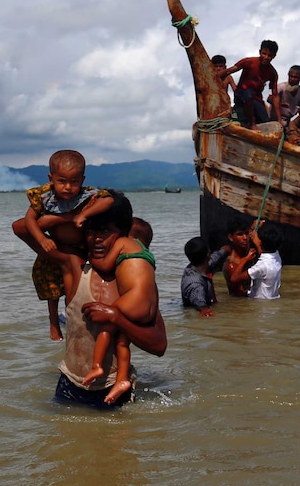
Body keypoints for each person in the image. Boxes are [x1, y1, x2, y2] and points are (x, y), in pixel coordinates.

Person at [49, 195, 167, 408]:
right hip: (70, 381)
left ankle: (118, 376)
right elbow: (23, 228)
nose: (96, 239)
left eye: (104, 232)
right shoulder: (76, 271)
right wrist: (76, 215)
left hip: (112, 387)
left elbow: (159, 345)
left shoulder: (136, 287)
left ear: (121, 236)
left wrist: (116, 318)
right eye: (91, 231)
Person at [12, 150, 113, 341]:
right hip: (55, 245)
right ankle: (53, 323)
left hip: (79, 249)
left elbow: (108, 200)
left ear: (82, 180)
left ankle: (72, 318)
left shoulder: (87, 195)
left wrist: (82, 215)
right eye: (62, 181)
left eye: (74, 182)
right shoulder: (45, 197)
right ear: (51, 178)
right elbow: (29, 220)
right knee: (52, 290)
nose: (68, 187)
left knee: (72, 287)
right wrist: (42, 239)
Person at [219, 40, 279, 130]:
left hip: (256, 99)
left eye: (269, 55)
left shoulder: (272, 73)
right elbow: (229, 71)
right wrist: (212, 76)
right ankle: (252, 123)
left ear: (273, 56)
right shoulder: (249, 62)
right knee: (248, 92)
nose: (266, 57)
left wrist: (279, 119)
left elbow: (275, 95)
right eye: (264, 53)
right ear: (260, 52)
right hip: (241, 94)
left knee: (265, 121)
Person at [229, 223, 283, 300]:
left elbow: (234, 278)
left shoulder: (261, 266)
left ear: (260, 242)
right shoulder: (276, 255)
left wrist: (245, 259)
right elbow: (263, 252)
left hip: (259, 303)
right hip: (272, 298)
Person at [181, 236, 231, 316]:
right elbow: (198, 300)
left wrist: (224, 250)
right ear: (208, 254)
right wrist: (205, 309)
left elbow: (215, 257)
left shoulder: (200, 265)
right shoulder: (195, 284)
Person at [222, 216, 253, 297]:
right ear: (231, 237)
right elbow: (241, 295)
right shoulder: (231, 265)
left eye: (246, 233)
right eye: (240, 234)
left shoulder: (249, 252)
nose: (245, 238)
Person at [271, 65, 300, 129]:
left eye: (295, 77)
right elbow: (270, 98)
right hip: (273, 120)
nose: (292, 79)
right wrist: (280, 104)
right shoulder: (281, 87)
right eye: (291, 76)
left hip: (287, 122)